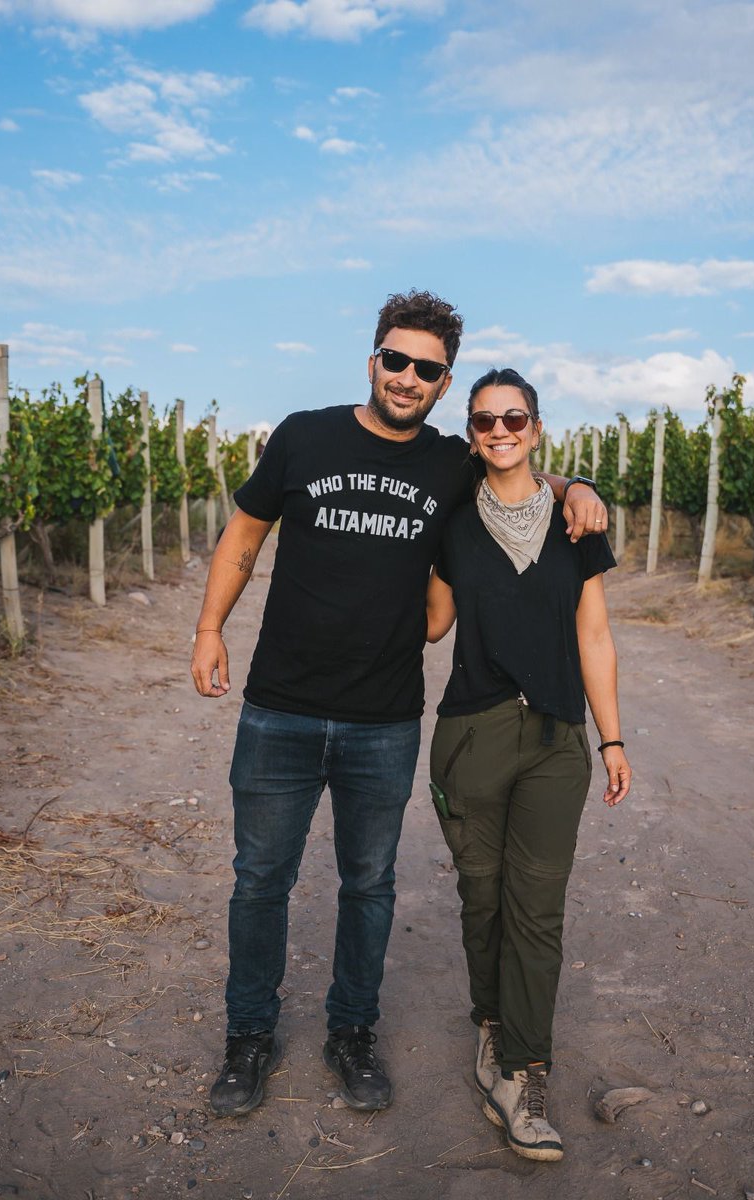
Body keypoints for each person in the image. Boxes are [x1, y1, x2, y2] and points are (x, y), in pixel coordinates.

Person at [189, 291, 608, 1118]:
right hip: (279, 705)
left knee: (368, 886)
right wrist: (209, 630)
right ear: (372, 360)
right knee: (259, 882)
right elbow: (243, 537)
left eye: (427, 368)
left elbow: (515, 463)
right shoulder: (304, 435)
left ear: (444, 383)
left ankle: (352, 1033)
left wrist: (577, 484)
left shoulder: (451, 462)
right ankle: (248, 1037)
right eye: (396, 360)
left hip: (384, 716)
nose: (408, 377)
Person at [426, 367, 632, 1162]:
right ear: (472, 432)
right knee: (484, 899)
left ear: (536, 429)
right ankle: (491, 1026)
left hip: (554, 741)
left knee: (537, 908)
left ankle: (524, 1070)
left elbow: (595, 637)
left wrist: (611, 739)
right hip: (472, 738)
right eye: (484, 421)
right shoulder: (450, 520)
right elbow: (433, 625)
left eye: (515, 418)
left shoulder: (578, 525)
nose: (499, 431)